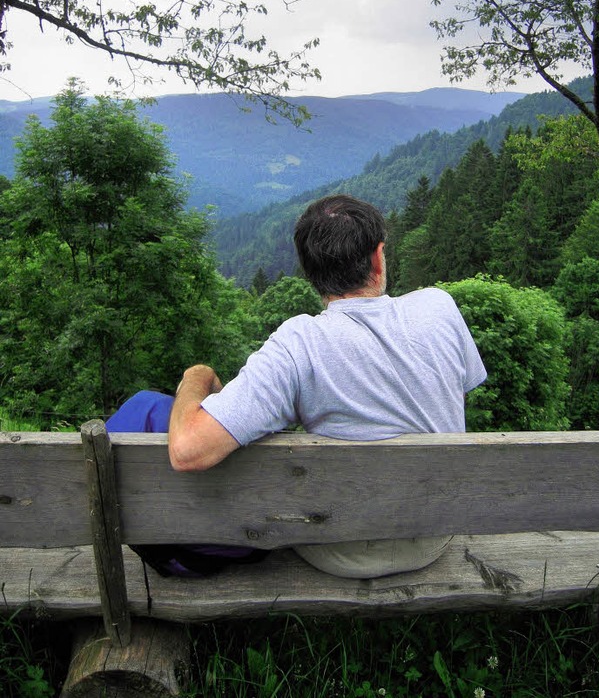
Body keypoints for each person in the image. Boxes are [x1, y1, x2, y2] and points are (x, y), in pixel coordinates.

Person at [165, 194, 487, 578]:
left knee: (150, 411)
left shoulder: (298, 343)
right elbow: (457, 393)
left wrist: (195, 377)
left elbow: (187, 451)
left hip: (339, 550)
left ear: (310, 272)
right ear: (378, 257)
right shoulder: (438, 307)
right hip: (434, 535)